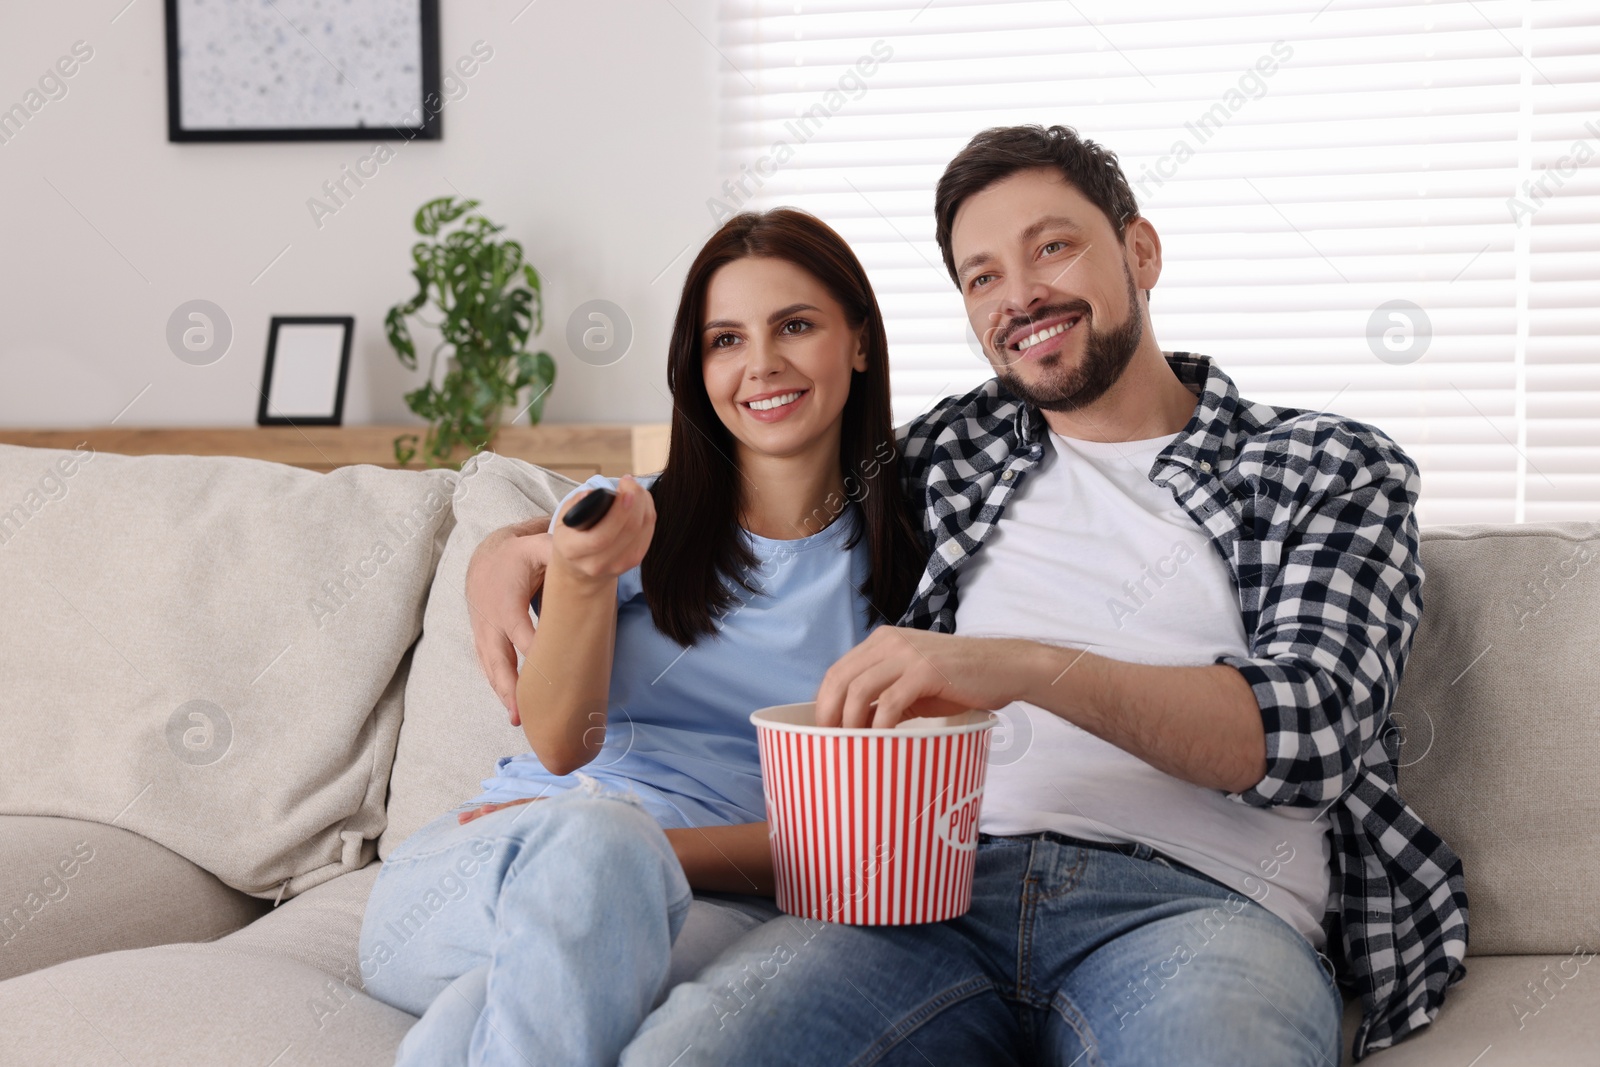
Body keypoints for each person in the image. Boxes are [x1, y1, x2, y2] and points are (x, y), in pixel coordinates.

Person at [597, 124, 1464, 1065]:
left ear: (1140, 251)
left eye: (1053, 246)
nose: (1021, 295)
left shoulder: (1324, 466)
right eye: (981, 276)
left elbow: (1312, 732)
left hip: (1200, 908)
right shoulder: (946, 454)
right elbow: (742, 488)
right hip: (931, 900)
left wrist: (1017, 667)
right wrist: (519, 551)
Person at [358, 206, 926, 1067]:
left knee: (476, 1016)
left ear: (859, 341)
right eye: (725, 340)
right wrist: (578, 577)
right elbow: (560, 746)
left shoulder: (917, 559)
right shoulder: (626, 519)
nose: (761, 363)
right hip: (493, 860)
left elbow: (862, 845)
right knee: (592, 847)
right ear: (697, 370)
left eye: (796, 326)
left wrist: (635, 847)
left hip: (698, 902)